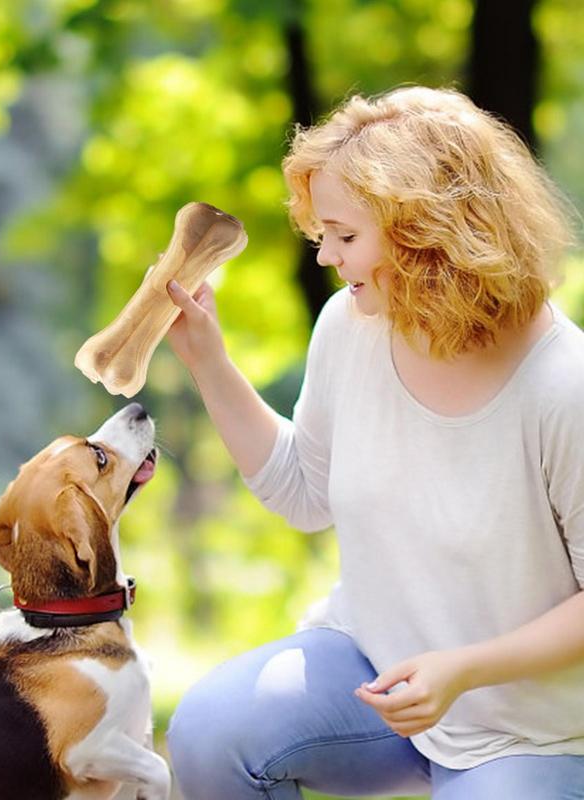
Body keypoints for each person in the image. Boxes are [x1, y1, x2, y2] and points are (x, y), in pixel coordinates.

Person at [163, 86, 584, 800]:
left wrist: (463, 670)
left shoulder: (564, 386)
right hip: (371, 670)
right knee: (210, 730)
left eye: (346, 236)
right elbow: (304, 493)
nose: (327, 256)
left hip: (530, 727)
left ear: (428, 235)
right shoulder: (349, 326)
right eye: (321, 235)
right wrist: (208, 359)